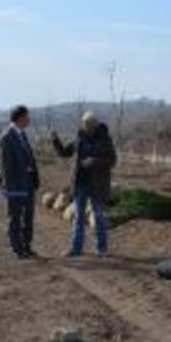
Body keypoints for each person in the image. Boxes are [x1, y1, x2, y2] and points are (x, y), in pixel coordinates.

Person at [51, 111, 117, 258]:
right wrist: (55, 140)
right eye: (84, 124)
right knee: (78, 216)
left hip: (97, 184)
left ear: (95, 124)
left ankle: (102, 248)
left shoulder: (105, 140)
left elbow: (112, 160)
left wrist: (94, 162)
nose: (86, 126)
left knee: (98, 216)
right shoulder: (79, 138)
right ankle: (76, 248)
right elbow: (64, 153)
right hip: (80, 183)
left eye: (89, 124)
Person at [0, 105, 40, 259]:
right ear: (19, 118)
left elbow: (29, 158)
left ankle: (27, 246)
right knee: (15, 217)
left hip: (28, 182)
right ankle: (17, 249)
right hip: (15, 184)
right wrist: (10, 189)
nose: (28, 120)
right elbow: (6, 167)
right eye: (26, 117)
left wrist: (34, 177)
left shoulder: (22, 134)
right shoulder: (7, 137)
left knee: (28, 216)